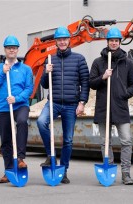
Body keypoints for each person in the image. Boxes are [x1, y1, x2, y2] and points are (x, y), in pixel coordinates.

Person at [37, 26, 90, 184]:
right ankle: (50, 154)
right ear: (56, 42)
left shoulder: (79, 59)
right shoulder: (50, 59)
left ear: (69, 41)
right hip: (53, 102)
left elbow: (85, 83)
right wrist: (46, 72)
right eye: (59, 40)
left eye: (64, 39)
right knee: (41, 122)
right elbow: (45, 85)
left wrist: (82, 103)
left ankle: (64, 170)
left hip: (71, 105)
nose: (62, 42)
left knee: (68, 140)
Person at [89, 27, 133, 185]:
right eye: (111, 40)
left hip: (120, 107)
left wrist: (125, 94)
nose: (114, 43)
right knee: (105, 141)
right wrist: (103, 77)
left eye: (116, 41)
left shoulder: (127, 63)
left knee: (126, 140)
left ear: (119, 42)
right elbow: (91, 83)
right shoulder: (98, 62)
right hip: (104, 107)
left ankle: (126, 173)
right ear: (107, 42)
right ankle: (108, 167)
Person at [0, 35, 33, 183]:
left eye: (14, 48)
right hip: (2, 107)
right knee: (6, 140)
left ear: (17, 49)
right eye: (9, 48)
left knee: (22, 122)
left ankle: (20, 158)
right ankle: (8, 171)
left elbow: (29, 89)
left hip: (20, 105)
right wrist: (3, 72)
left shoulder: (26, 69)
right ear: (5, 50)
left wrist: (17, 98)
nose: (12, 50)